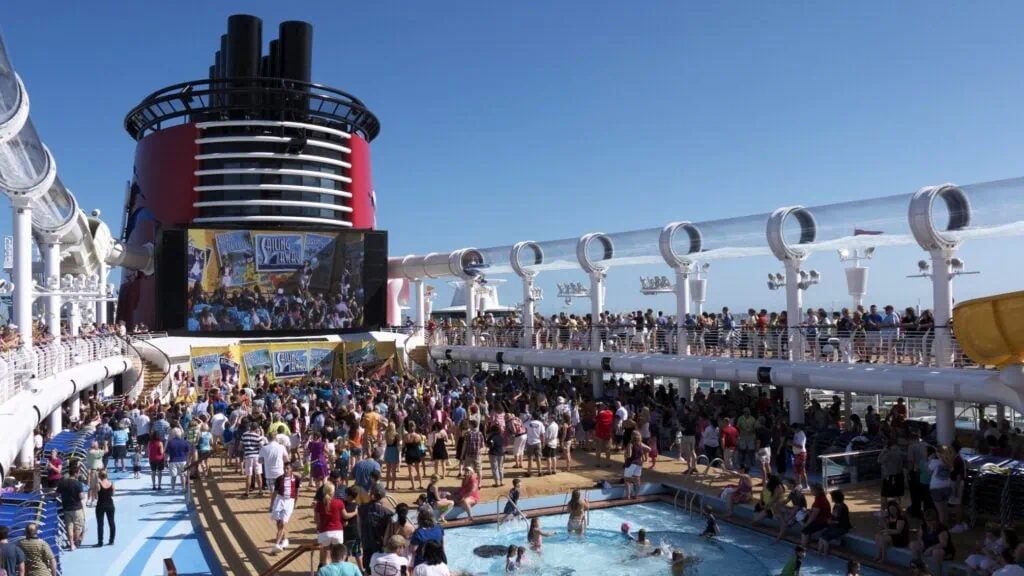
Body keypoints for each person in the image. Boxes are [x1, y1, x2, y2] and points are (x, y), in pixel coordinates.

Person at [910, 509, 956, 576]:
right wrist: (921, 542)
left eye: (930, 520)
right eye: (926, 520)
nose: (928, 522)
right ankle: (917, 568)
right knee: (913, 544)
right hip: (928, 547)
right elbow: (919, 536)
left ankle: (937, 574)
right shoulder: (924, 526)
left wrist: (930, 549)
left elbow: (943, 544)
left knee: (936, 552)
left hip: (943, 550)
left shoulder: (941, 529)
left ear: (935, 519)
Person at [270, 463, 302, 554]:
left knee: (282, 523)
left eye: (287, 468)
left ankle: (276, 544)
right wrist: (271, 504)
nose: (285, 470)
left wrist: (295, 503)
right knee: (278, 522)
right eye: (284, 468)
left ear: (291, 469)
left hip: (289, 501)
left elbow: (297, 492)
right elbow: (275, 492)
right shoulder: (279, 479)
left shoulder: (296, 479)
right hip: (280, 500)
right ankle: (284, 540)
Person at [359, 483, 394, 562]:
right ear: (383, 496)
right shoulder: (387, 513)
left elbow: (359, 525)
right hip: (380, 546)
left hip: (366, 544)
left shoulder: (361, 508)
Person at [56, 460, 86, 551]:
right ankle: (76, 542)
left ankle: (71, 544)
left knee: (69, 527)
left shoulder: (63, 482)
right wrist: (83, 495)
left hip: (66, 507)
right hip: (77, 508)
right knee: (77, 527)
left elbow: (56, 493)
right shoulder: (78, 484)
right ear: (76, 473)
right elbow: (81, 496)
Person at [873, 500, 910, 564]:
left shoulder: (901, 518)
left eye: (893, 509)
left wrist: (886, 531)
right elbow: (886, 528)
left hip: (901, 538)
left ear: (897, 508)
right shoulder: (890, 516)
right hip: (893, 535)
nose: (892, 510)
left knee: (883, 539)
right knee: (877, 536)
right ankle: (880, 554)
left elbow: (898, 531)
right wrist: (883, 520)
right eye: (890, 509)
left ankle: (884, 558)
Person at [816, 490, 852, 556]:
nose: (831, 498)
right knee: (821, 536)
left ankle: (825, 555)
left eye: (832, 497)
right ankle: (819, 553)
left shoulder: (843, 508)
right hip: (834, 526)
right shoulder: (836, 505)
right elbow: (833, 515)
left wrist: (831, 521)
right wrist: (829, 519)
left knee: (825, 538)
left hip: (842, 527)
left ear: (835, 498)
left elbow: (842, 522)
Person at [95, 469, 116, 547]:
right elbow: (113, 494)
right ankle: (111, 540)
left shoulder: (98, 484)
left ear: (99, 476)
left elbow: (96, 496)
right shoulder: (112, 483)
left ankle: (100, 542)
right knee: (111, 522)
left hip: (100, 505)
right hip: (110, 505)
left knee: (100, 524)